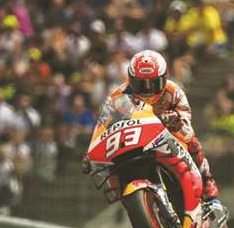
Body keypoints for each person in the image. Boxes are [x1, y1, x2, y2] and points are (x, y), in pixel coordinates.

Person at [86, 50, 219, 200]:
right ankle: (127, 198)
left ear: (164, 78)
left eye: (153, 83)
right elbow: (102, 125)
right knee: (109, 169)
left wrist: (174, 118)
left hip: (167, 136)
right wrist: (91, 152)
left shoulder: (174, 91)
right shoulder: (117, 97)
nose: (148, 89)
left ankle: (207, 181)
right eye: (141, 84)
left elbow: (186, 120)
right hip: (135, 141)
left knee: (192, 140)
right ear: (131, 81)